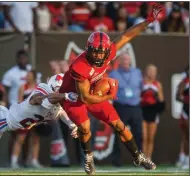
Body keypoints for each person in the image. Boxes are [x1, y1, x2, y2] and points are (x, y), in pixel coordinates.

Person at [59, 4, 162, 174]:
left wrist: (148, 21)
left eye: (102, 52)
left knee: (119, 125)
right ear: (88, 50)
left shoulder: (109, 52)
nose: (99, 55)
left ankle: (138, 156)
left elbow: (127, 35)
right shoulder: (80, 66)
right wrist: (109, 96)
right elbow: (84, 98)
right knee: (85, 127)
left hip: (92, 92)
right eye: (96, 52)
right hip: (72, 97)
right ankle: (88, 157)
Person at [0, 73, 78, 142]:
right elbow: (37, 99)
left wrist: (71, 125)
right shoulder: (43, 91)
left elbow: (60, 112)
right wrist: (65, 96)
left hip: (8, 124)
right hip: (4, 118)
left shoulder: (56, 107)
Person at [109, 52, 143, 167]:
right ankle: (116, 160)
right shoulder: (114, 74)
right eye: (123, 60)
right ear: (119, 61)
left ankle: (138, 159)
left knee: (138, 134)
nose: (125, 62)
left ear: (130, 61)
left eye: (127, 60)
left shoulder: (137, 72)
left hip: (135, 106)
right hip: (121, 106)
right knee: (119, 134)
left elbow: (141, 87)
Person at [10, 70, 43, 168]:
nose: (27, 76)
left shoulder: (39, 87)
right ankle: (14, 161)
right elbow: (19, 102)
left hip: (36, 117)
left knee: (36, 139)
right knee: (20, 139)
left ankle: (34, 161)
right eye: (27, 75)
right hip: (25, 116)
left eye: (29, 75)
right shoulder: (22, 87)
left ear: (34, 76)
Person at [141, 64, 165, 160]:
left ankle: (148, 158)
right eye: (150, 71)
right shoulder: (142, 83)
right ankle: (142, 158)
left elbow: (161, 99)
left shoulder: (157, 85)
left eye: (153, 71)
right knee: (144, 137)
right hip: (143, 111)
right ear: (146, 72)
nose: (151, 73)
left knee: (151, 138)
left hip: (153, 112)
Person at [176, 66, 189, 169]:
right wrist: (185, 98)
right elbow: (178, 96)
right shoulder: (184, 82)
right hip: (186, 111)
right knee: (187, 136)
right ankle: (185, 158)